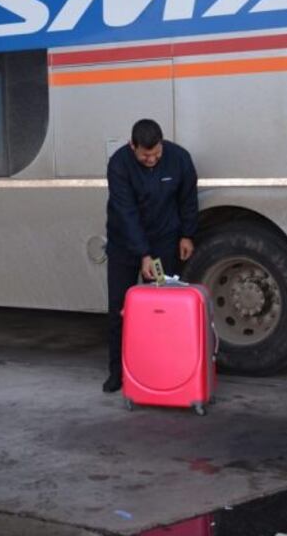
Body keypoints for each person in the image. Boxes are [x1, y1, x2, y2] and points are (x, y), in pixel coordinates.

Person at [103, 119, 198, 393]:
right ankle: (117, 373)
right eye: (145, 155)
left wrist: (187, 234)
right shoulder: (119, 165)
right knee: (120, 309)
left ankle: (161, 371)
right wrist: (142, 254)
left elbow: (187, 199)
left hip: (164, 244)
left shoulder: (179, 158)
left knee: (162, 309)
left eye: (156, 153)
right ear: (132, 146)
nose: (152, 159)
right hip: (125, 246)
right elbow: (126, 213)